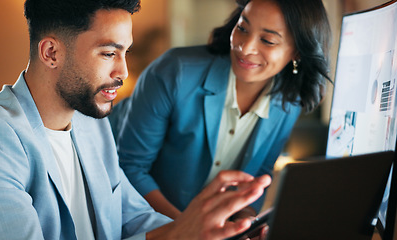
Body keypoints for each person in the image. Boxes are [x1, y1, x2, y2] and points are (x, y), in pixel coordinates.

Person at [0, 0, 272, 239]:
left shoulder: (92, 123)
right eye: (108, 53)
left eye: (124, 53)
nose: (123, 72)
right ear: (51, 53)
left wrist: (215, 234)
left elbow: (133, 217)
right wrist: (177, 236)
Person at [110, 0, 332, 220]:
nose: (245, 47)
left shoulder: (289, 101)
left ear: (298, 53)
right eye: (242, 28)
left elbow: (259, 174)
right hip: (142, 221)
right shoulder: (175, 71)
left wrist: (245, 222)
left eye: (267, 40)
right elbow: (131, 168)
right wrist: (185, 231)